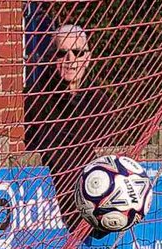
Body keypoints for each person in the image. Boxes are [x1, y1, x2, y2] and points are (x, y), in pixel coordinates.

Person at [23, 23, 119, 229]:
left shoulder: (101, 104)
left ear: (88, 58)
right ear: (52, 57)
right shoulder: (36, 100)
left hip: (99, 205)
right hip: (45, 211)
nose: (70, 60)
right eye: (62, 53)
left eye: (78, 52)